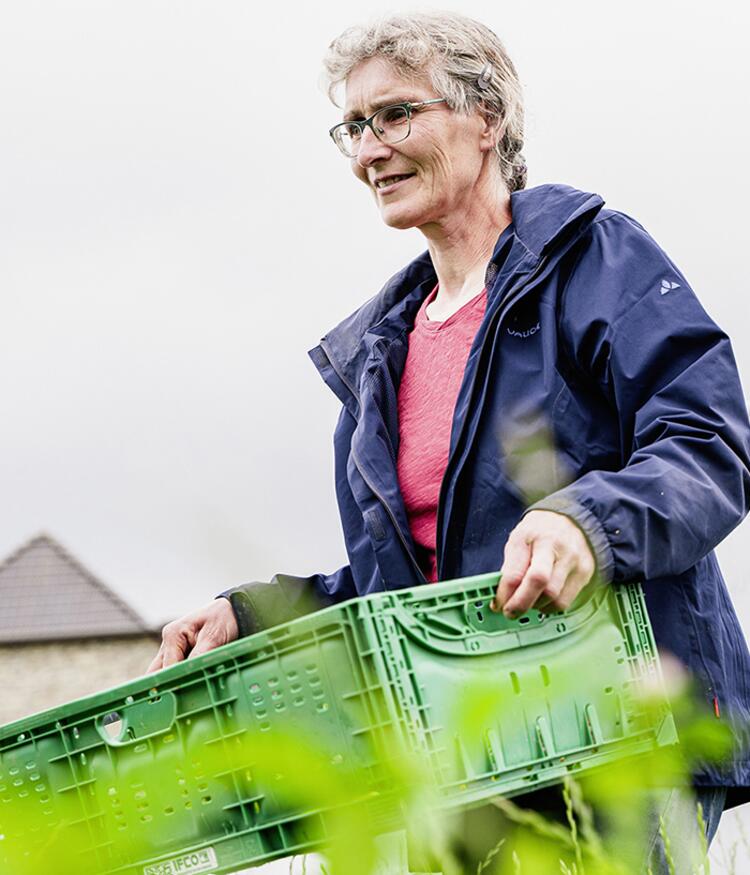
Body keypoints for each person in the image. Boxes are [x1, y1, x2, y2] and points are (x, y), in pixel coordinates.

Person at [148, 12, 750, 869]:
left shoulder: (592, 261)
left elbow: (708, 439)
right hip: (462, 763)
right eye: (353, 127)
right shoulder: (377, 357)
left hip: (618, 731)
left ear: (486, 118)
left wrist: (588, 522)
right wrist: (253, 615)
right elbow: (409, 585)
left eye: (394, 115)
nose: (368, 151)